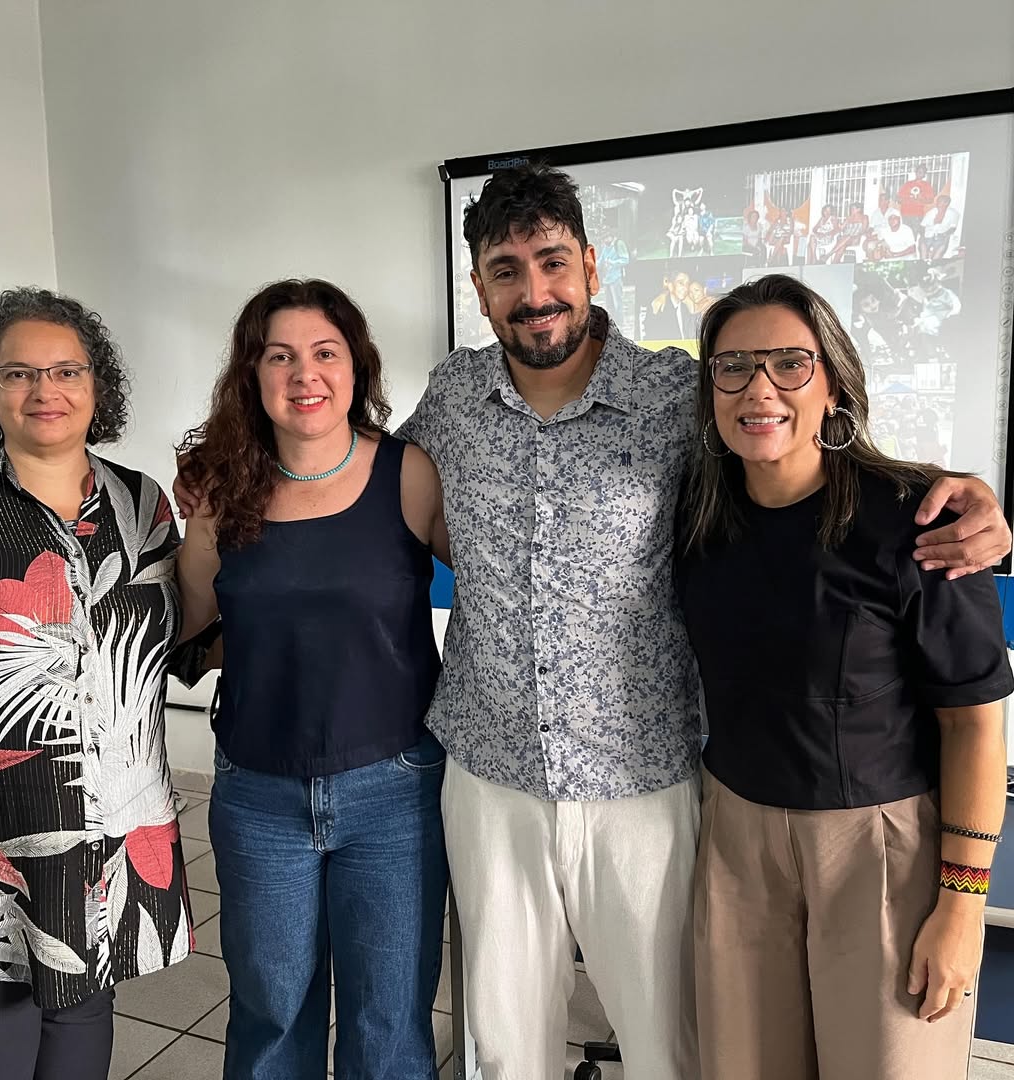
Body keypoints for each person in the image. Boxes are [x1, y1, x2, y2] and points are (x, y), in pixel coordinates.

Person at [387, 165, 1008, 1080]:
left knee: (672, 1044)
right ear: (479, 290)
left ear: (591, 266)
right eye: (506, 271)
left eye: (552, 261)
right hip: (491, 772)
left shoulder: (678, 393)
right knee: (503, 1043)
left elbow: (796, 455)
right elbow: (376, 488)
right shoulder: (451, 396)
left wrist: (972, 494)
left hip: (644, 779)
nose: (534, 292)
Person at [677, 274, 1011, 1080]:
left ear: (833, 384)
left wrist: (962, 908)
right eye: (733, 366)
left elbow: (973, 723)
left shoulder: (920, 521)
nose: (759, 388)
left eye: (790, 363)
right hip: (736, 844)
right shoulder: (694, 515)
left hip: (881, 854)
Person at [175, 279, 449, 1080]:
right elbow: (189, 630)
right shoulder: (221, 492)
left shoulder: (408, 474)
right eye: (280, 356)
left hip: (395, 790)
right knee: (271, 1021)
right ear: (252, 374)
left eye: (325, 353)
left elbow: (506, 589)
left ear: (356, 367)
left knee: (388, 1027)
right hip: (258, 794)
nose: (305, 375)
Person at [0, 288, 191, 1079]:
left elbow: (178, 642)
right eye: (19, 373)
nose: (44, 390)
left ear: (96, 385)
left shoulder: (141, 502)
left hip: (104, 859)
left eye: (66, 371)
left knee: (79, 1058)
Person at [648, 269, 695, 340]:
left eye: (687, 284)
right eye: (681, 283)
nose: (685, 288)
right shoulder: (660, 307)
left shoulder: (685, 308)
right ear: (670, 286)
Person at [597, 229, 630, 329]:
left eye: (606, 238)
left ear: (611, 236)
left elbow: (625, 259)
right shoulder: (605, 246)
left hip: (616, 277)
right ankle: (612, 324)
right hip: (607, 278)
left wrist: (612, 262)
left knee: (617, 303)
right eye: (603, 239)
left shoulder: (618, 244)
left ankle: (620, 323)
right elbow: (600, 261)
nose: (604, 240)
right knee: (609, 304)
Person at [898, 164, 936, 238]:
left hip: (917, 214)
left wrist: (921, 199)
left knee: (914, 234)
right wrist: (905, 199)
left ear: (924, 174)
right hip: (905, 212)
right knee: (905, 234)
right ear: (916, 172)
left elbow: (930, 200)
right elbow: (899, 198)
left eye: (922, 172)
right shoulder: (908, 184)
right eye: (918, 171)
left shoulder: (927, 185)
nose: (919, 173)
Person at [920, 195, 960, 261]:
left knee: (937, 254)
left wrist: (945, 235)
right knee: (923, 249)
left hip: (942, 235)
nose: (937, 203)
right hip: (928, 234)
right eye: (937, 201)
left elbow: (953, 228)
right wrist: (923, 237)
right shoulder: (931, 212)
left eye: (939, 201)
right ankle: (923, 262)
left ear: (946, 203)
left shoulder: (953, 214)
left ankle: (934, 263)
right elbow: (922, 226)